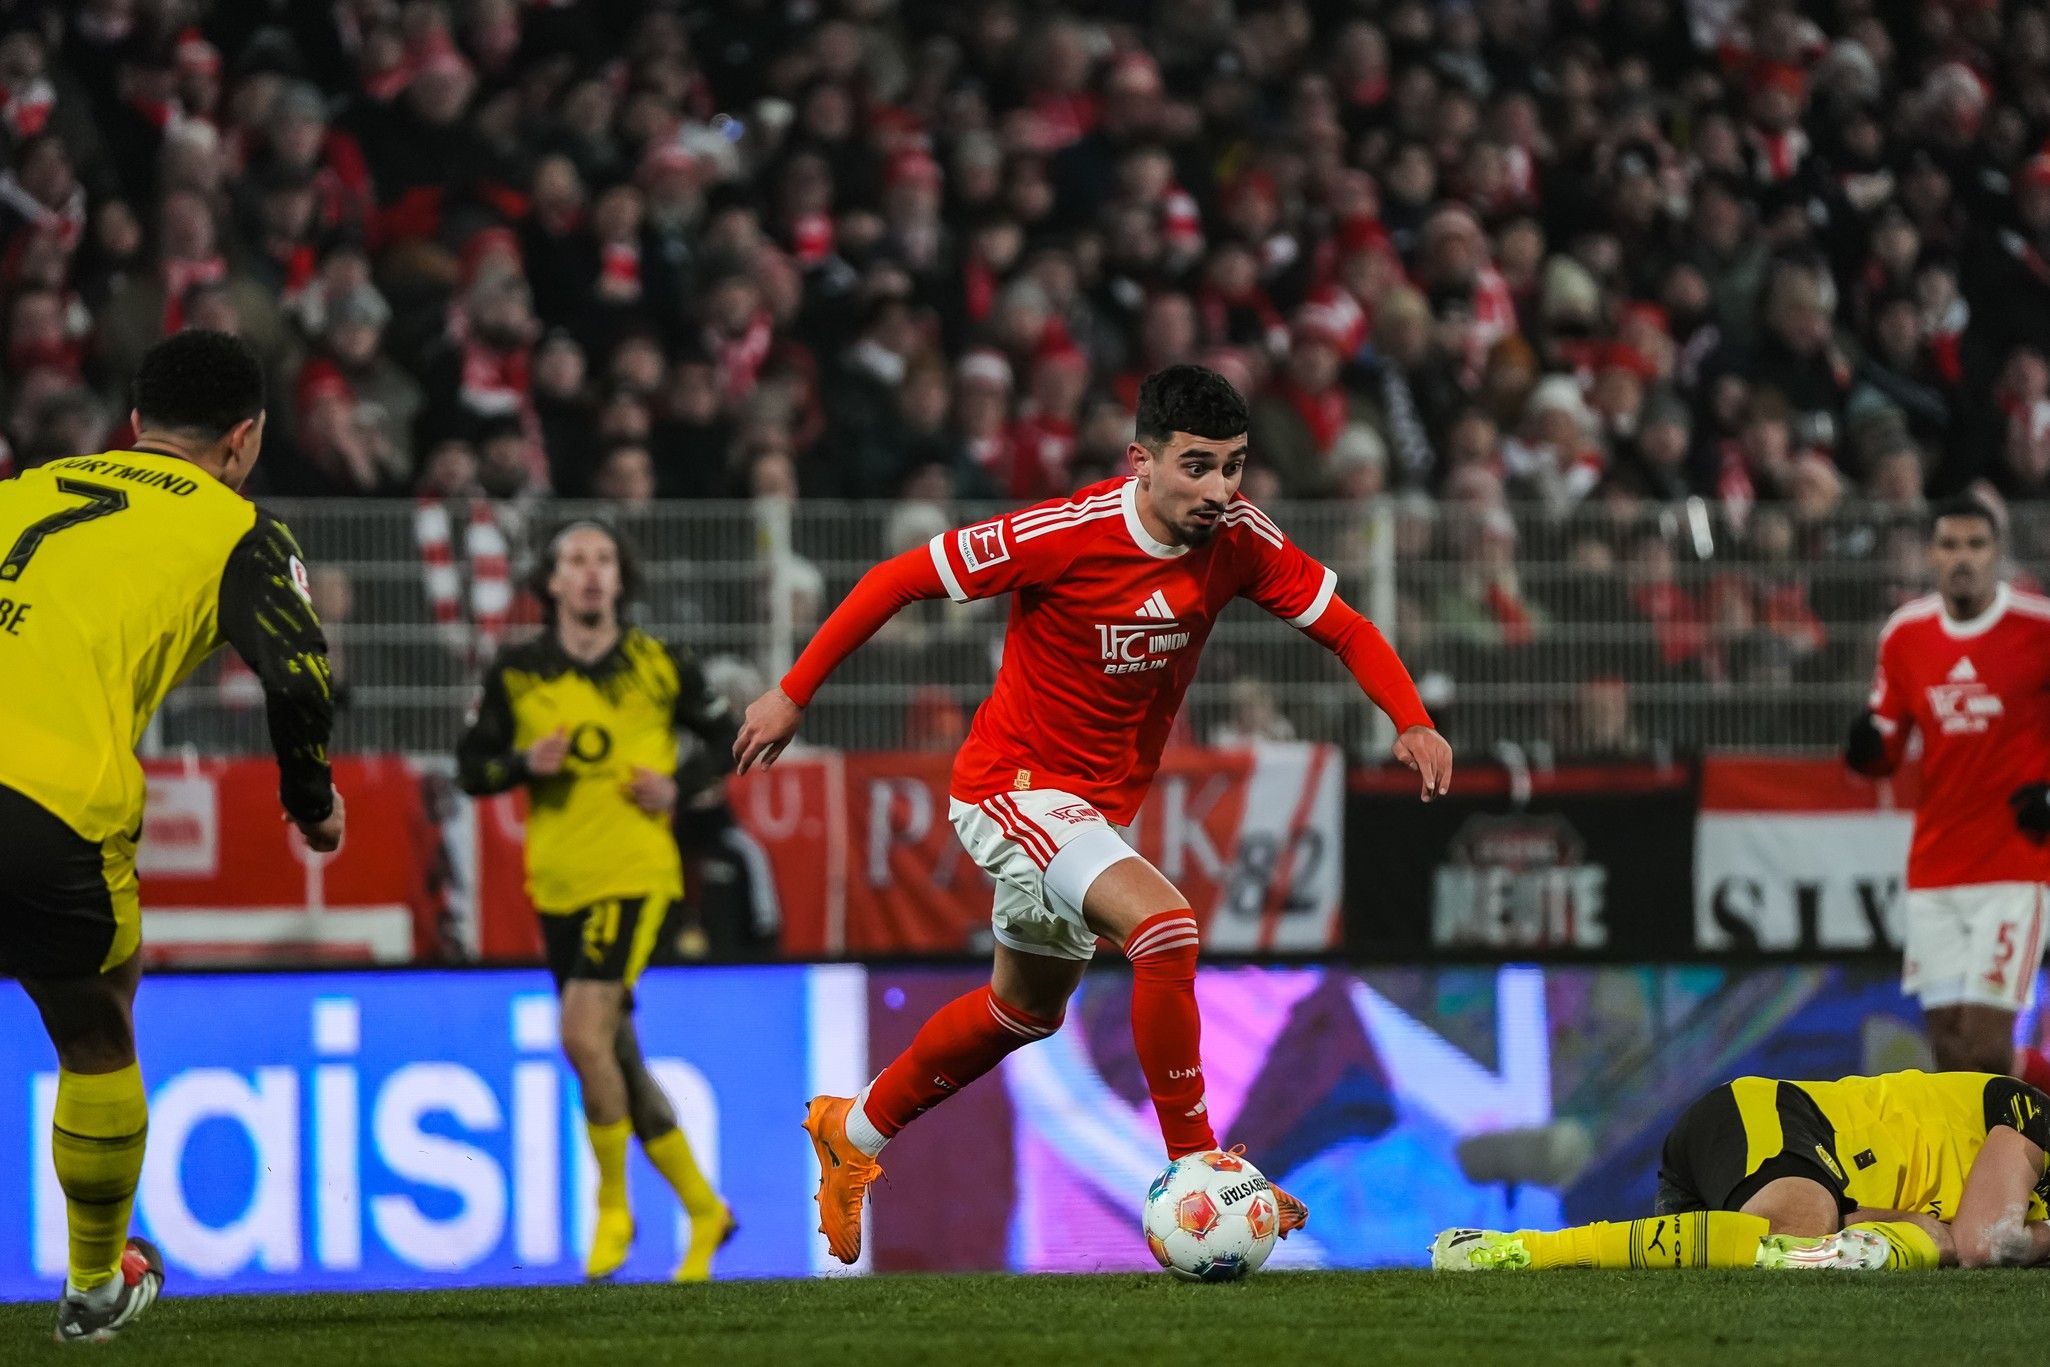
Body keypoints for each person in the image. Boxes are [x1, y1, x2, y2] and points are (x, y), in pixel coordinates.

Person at [733, 364, 1453, 1264]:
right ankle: (1200, 1168)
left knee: (1023, 1011)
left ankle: (856, 1131)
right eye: (1197, 467)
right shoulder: (1065, 533)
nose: (1219, 490)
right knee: (1165, 929)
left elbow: (1345, 624)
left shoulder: (1237, 539)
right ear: (1140, 461)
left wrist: (1413, 719)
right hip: (1010, 788)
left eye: (1233, 467)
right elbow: (897, 578)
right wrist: (793, 693)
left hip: (1089, 812)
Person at [0, 330, 342, 1342]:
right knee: (98, 1018)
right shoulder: (238, 527)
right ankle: (96, 1283)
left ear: (137, 423)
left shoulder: (22, 489)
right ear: (242, 440)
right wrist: (312, 795)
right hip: (44, 802)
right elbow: (297, 673)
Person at [455, 520, 739, 1282]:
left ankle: (614, 1209)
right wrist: (521, 761)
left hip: (637, 874)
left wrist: (681, 785)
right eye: (575, 560)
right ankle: (705, 1208)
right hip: (557, 883)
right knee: (616, 1053)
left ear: (621, 577)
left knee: (582, 1034)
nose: (590, 573)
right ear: (549, 580)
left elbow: (726, 736)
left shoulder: (659, 663)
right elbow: (470, 768)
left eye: (604, 559)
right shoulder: (517, 673)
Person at [1433, 1069, 2050, 1272]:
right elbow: (1988, 1241)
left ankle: (1802, 1248)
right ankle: (1515, 1250)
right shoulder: (2034, 1117)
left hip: (1821, 1186)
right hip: (1775, 1115)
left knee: (1912, 1239)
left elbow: (1961, 1233)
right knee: (1809, 1228)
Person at [1843, 495, 2050, 1086]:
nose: (1963, 558)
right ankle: (1978, 1174)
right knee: (1950, 1051)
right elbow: (1882, 741)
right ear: (1932, 555)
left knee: (1987, 1045)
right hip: (1936, 868)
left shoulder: (2038, 630)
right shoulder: (1906, 634)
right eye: (1950, 545)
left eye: (1976, 545)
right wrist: (1864, 750)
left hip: (2015, 866)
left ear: (1997, 553)